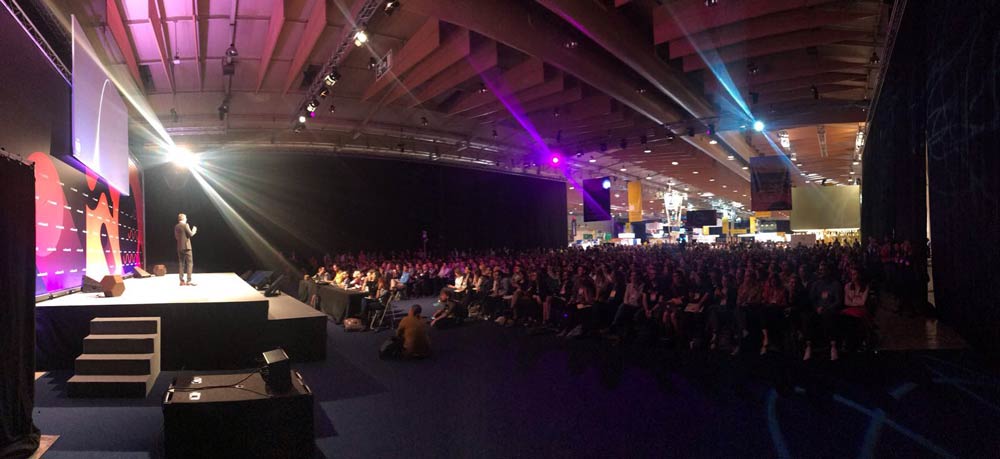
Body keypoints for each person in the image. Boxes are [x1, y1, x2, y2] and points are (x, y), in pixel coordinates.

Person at [174, 213, 197, 286]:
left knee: (181, 264)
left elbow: (176, 237)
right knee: (190, 264)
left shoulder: (176, 226)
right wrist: (194, 230)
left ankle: (181, 281)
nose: (186, 219)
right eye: (186, 218)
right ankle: (189, 281)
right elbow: (190, 234)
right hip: (187, 247)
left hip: (179, 247)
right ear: (183, 218)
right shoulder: (185, 225)